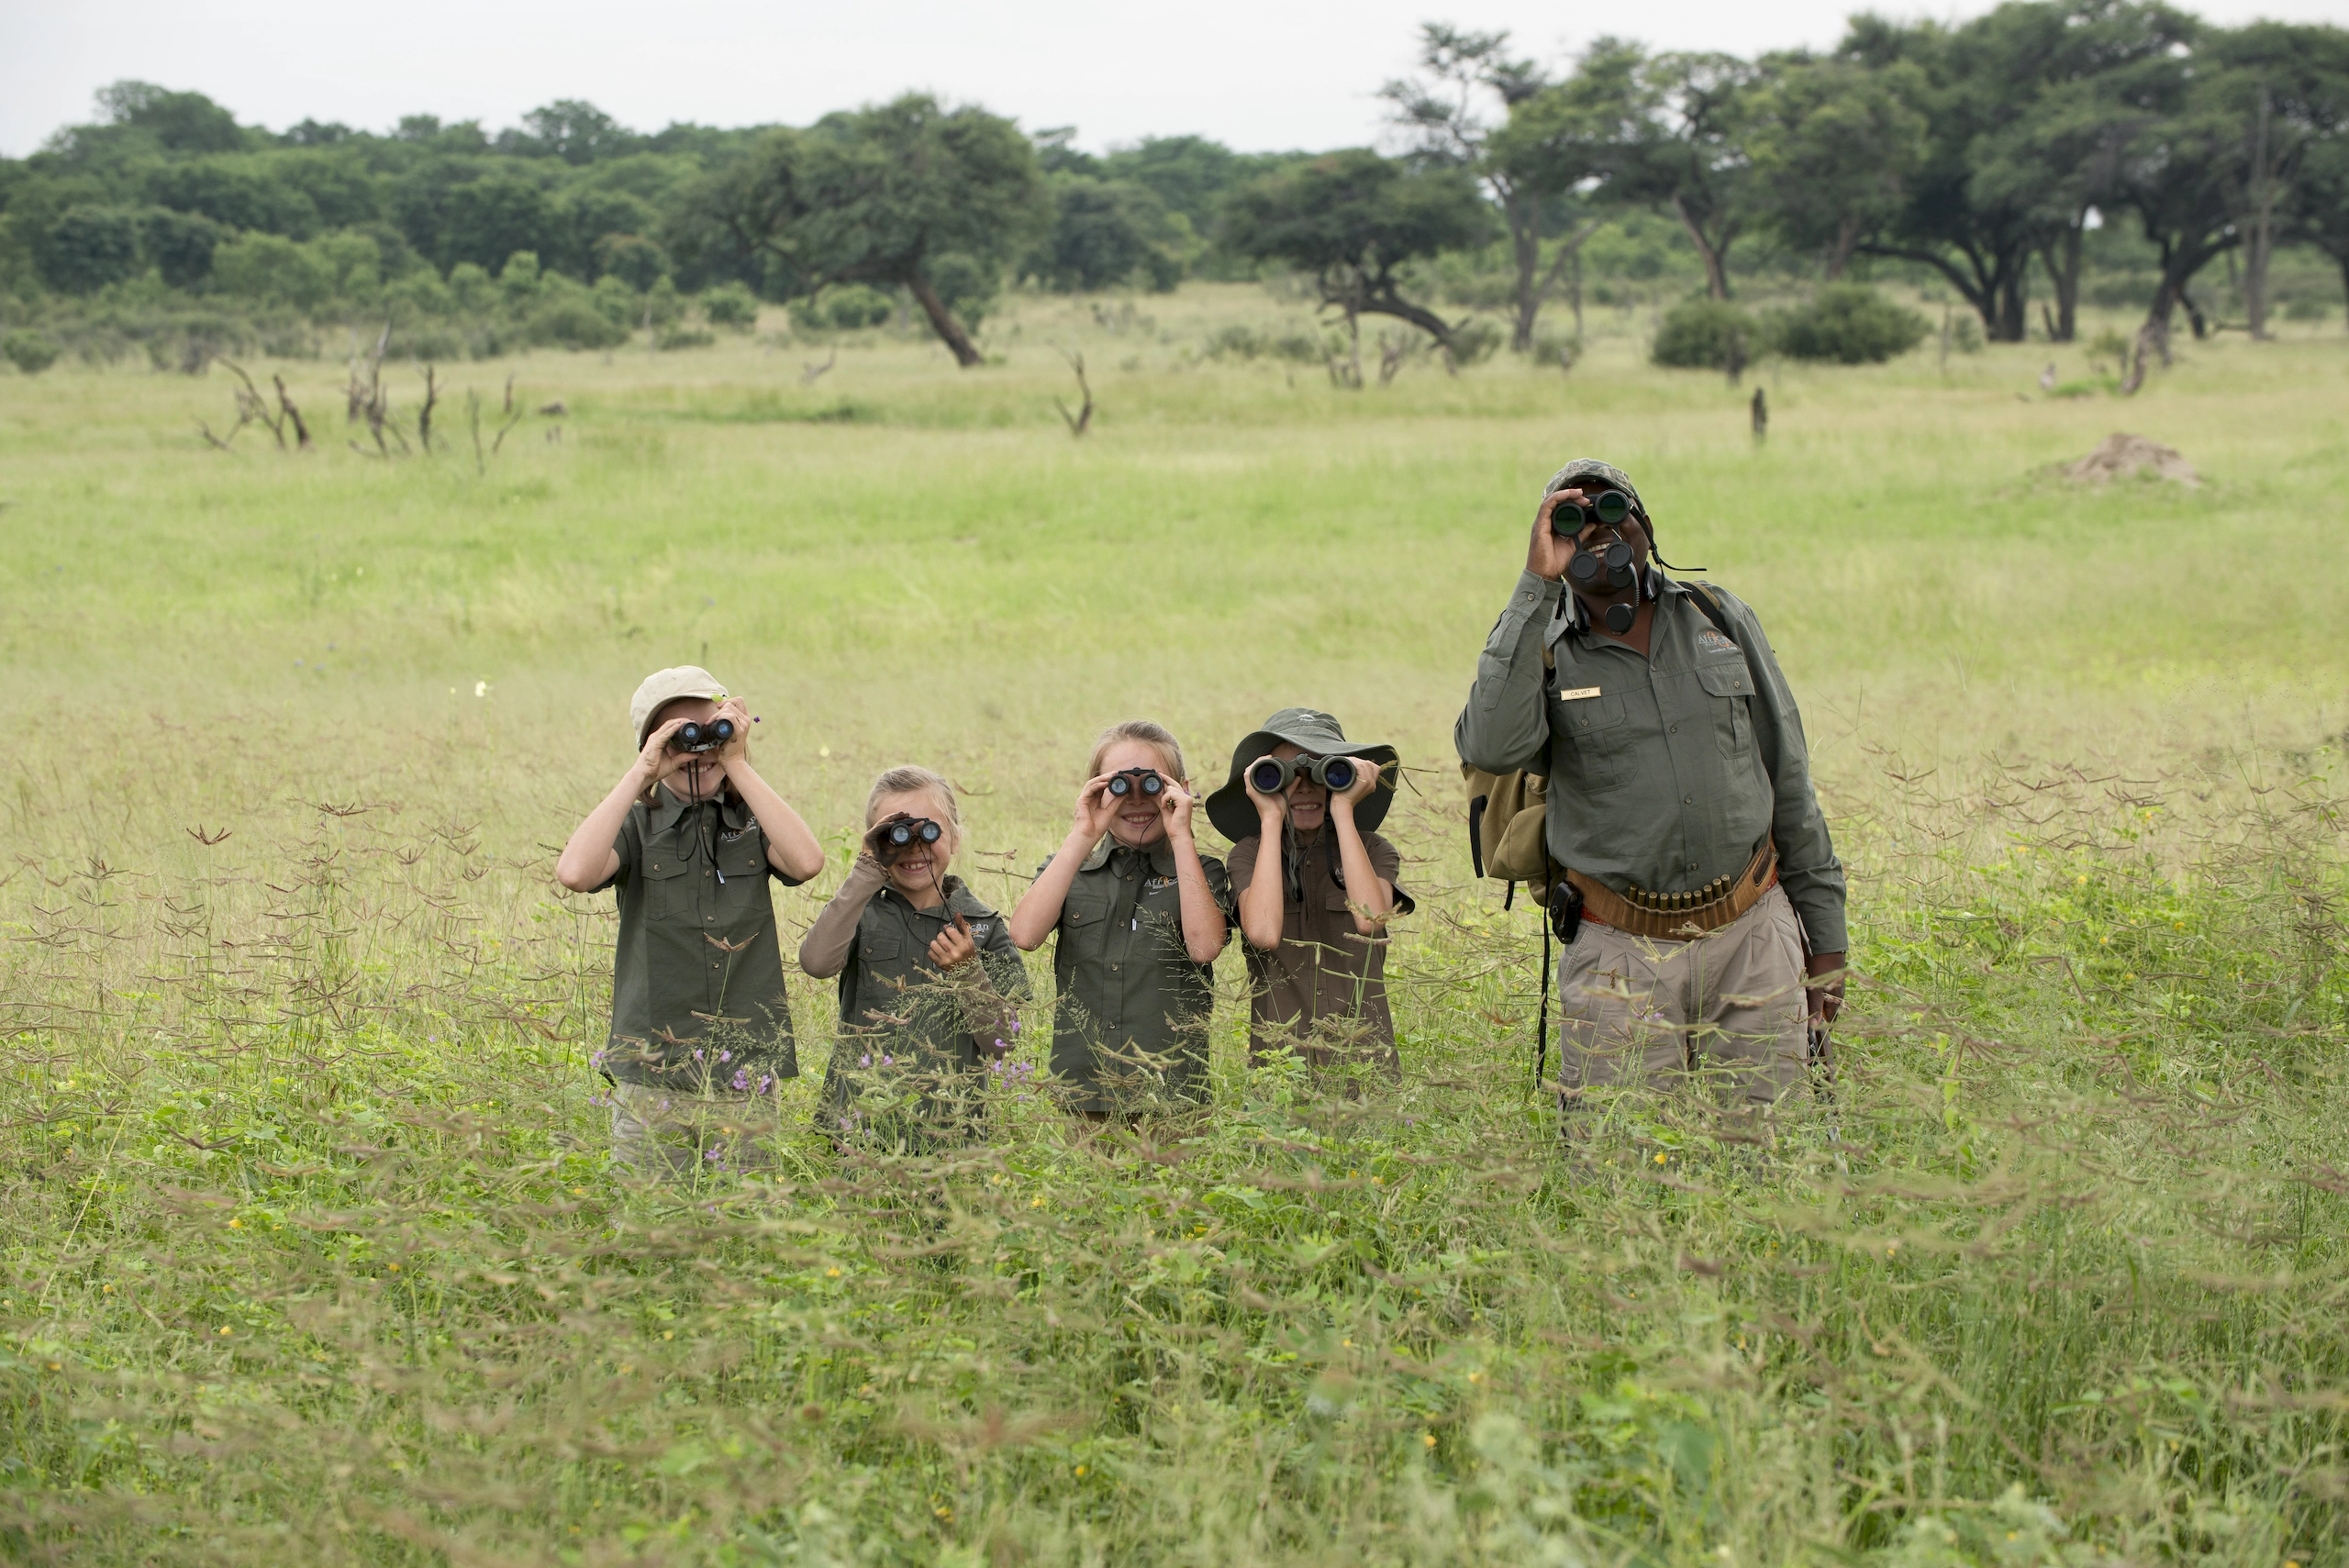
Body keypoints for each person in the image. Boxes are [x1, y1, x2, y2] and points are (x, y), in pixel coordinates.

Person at [1453, 459, 1847, 1118]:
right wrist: (1535, 584)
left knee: (1770, 1150)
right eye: (1574, 520)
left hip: (1753, 931)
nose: (1599, 530)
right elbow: (1489, 745)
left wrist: (1825, 939)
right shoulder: (1542, 647)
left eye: (1614, 509)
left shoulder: (1716, 616)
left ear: (1645, 523)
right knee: (1619, 1160)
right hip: (1618, 947)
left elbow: (1788, 777)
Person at [555, 665, 826, 1177]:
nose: (696, 749)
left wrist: (736, 763)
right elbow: (574, 873)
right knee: (648, 1213)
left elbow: (807, 862)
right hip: (651, 1070)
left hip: (743, 1069)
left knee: (744, 1213)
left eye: (710, 731)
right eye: (678, 736)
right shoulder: (636, 825)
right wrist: (642, 774)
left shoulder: (750, 820)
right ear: (651, 745)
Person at [1007, 721, 1231, 1120]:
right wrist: (1083, 834)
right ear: (1095, 790)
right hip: (1083, 1087)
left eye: (1152, 784)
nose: (1136, 799)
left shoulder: (1200, 871)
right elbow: (1024, 935)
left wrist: (1181, 836)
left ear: (1180, 789)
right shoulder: (1071, 869)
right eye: (1119, 786)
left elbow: (1204, 947)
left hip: (1172, 1092)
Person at [797, 765, 1029, 1151]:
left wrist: (968, 974)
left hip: (951, 1131)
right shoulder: (858, 913)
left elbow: (1003, 1042)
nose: (912, 847)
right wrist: (867, 870)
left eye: (929, 831)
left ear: (955, 838)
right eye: (896, 834)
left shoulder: (982, 925)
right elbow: (816, 963)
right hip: (860, 1125)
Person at [1204, 708, 1413, 1075]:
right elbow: (1264, 933)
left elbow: (1370, 920)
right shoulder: (1249, 854)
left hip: (1365, 1065)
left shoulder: (1373, 850)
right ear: (1263, 780)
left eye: (1322, 770)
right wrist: (1271, 818)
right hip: (1280, 1065)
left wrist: (1344, 809)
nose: (1304, 787)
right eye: (1284, 774)